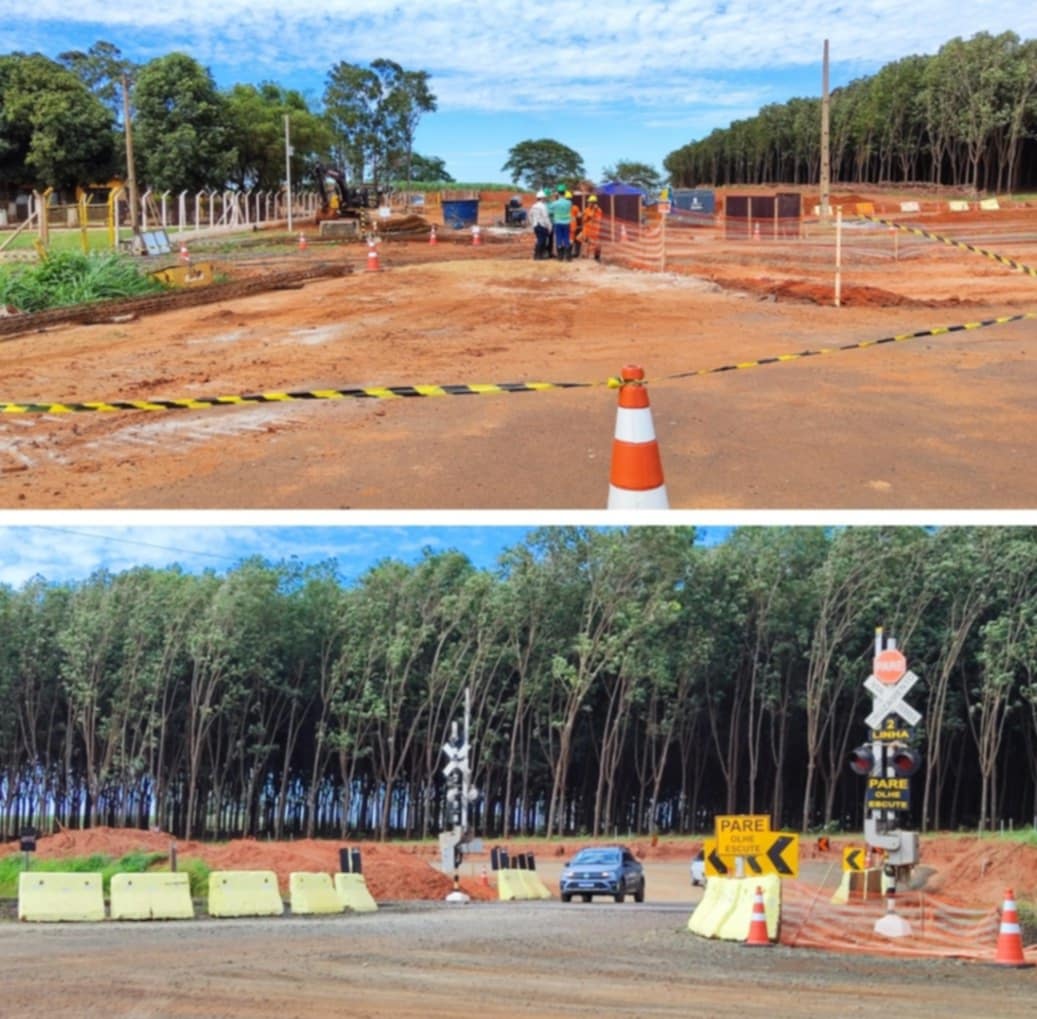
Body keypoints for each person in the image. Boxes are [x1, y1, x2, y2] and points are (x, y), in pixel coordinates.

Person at [548, 184, 573, 261]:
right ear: (565, 192)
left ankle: (560, 257)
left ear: (558, 193)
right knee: (566, 238)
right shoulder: (569, 202)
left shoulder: (555, 203)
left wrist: (554, 198)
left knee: (559, 238)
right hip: (567, 223)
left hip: (558, 223)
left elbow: (550, 211)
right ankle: (568, 257)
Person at [528, 190, 552, 260]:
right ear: (542, 198)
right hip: (542, 225)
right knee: (542, 241)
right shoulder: (543, 206)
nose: (545, 199)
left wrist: (532, 224)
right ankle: (538, 256)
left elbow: (530, 215)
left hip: (535, 225)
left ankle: (537, 255)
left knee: (539, 240)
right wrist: (549, 226)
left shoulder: (534, 206)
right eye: (544, 198)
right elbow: (545, 217)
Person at [582, 194, 603, 261]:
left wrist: (593, 211)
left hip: (595, 231)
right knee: (587, 243)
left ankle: (597, 257)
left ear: (594, 203)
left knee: (596, 244)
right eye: (589, 202)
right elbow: (584, 220)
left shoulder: (599, 210)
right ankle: (587, 256)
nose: (588, 203)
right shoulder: (586, 210)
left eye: (590, 202)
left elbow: (597, 219)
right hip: (587, 230)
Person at [569, 193, 584, 259]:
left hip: (565, 226)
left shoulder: (563, 207)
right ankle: (575, 253)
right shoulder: (575, 207)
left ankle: (568, 253)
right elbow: (579, 216)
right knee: (574, 239)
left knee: (570, 239)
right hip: (573, 226)